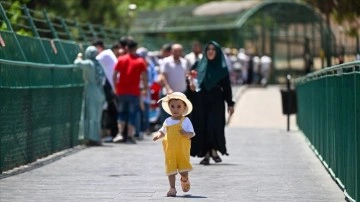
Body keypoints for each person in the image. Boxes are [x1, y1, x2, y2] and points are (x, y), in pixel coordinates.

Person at [189, 41, 235, 165]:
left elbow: (227, 87)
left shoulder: (222, 68)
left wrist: (230, 103)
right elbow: (191, 79)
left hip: (216, 100)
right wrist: (190, 85)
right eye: (208, 49)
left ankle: (214, 150)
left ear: (217, 52)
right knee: (202, 126)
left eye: (213, 49)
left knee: (213, 126)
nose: (210, 51)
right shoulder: (198, 65)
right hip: (200, 100)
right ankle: (207, 153)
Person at [152, 92, 195, 197]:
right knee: (171, 170)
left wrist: (186, 133)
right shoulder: (167, 121)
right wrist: (158, 135)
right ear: (169, 107)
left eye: (178, 106)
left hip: (182, 151)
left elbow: (192, 133)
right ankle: (172, 188)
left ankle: (184, 179)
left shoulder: (186, 121)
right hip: (170, 150)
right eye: (172, 106)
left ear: (184, 107)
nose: (175, 109)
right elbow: (163, 131)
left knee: (183, 170)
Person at [112, 39, 148, 144]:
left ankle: (120, 133)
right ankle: (129, 135)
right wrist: (145, 88)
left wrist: (115, 87)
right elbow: (144, 77)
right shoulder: (140, 61)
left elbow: (114, 75)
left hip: (121, 90)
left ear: (127, 48)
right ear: (136, 48)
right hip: (134, 91)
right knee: (132, 113)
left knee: (122, 112)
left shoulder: (121, 59)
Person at [74, 46, 105, 146]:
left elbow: (77, 63)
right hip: (100, 91)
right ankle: (96, 137)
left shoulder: (89, 63)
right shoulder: (98, 64)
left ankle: (92, 138)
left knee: (90, 115)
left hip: (91, 90)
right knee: (97, 116)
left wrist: (79, 56)